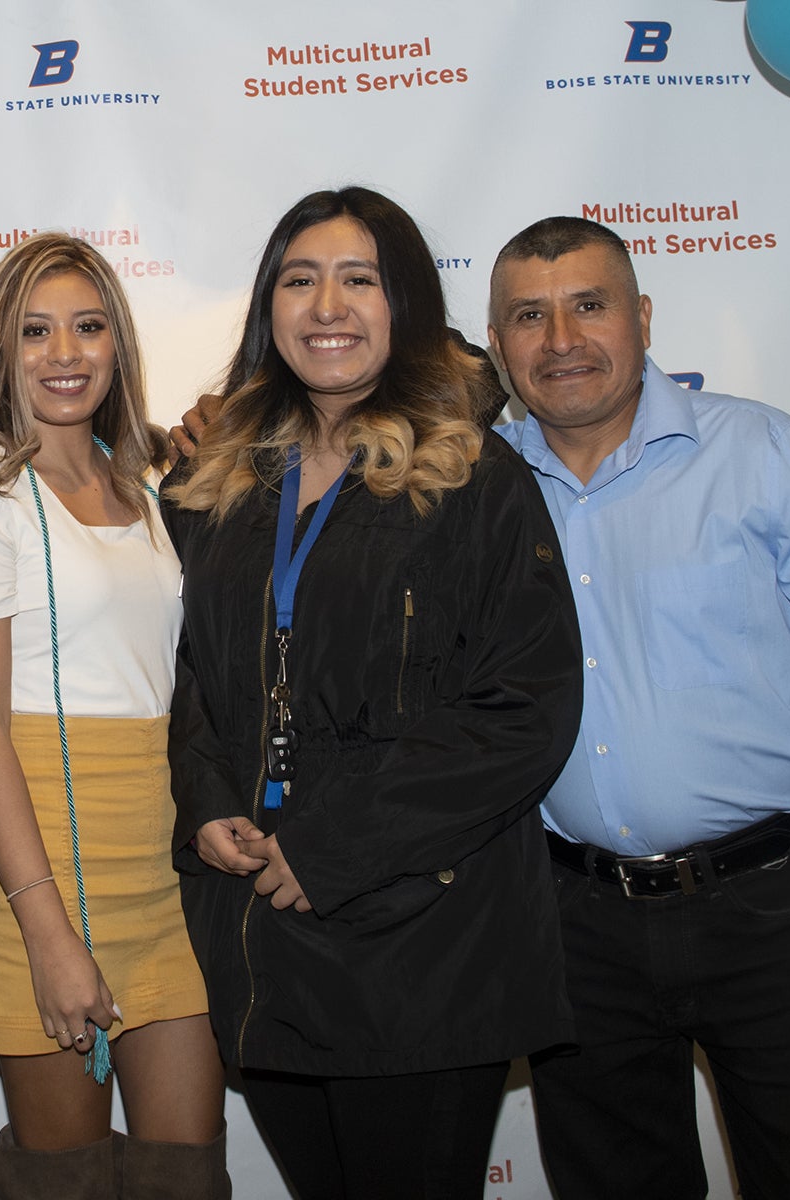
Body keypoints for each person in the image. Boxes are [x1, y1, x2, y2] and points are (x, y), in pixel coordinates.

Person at [486, 216, 790, 1200]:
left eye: (589, 305)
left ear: (645, 316)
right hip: (571, 927)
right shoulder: (469, 490)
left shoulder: (761, 453)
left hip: (777, 913)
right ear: (498, 345)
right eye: (530, 315)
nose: (561, 338)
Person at [161, 186, 584, 1200]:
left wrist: (335, 846)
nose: (327, 306)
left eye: (360, 280)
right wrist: (209, 798)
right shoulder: (217, 487)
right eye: (299, 281)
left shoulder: (477, 479)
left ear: (407, 307)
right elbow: (193, 682)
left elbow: (526, 708)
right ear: (270, 310)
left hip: (421, 939)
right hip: (261, 933)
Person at [0, 232, 228, 1200]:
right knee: (67, 1185)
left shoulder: (140, 483)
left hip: (162, 863)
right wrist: (47, 932)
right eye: (36, 332)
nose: (65, 354)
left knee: (187, 1174)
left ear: (117, 345)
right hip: (42, 867)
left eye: (88, 328)